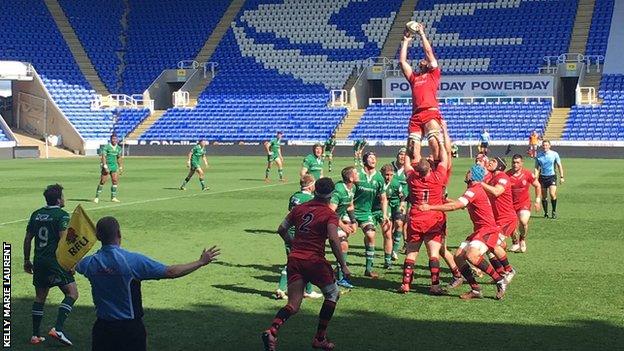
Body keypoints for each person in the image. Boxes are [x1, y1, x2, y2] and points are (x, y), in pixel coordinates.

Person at [76, 217, 220, 351]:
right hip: (129, 329)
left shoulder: (88, 263)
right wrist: (200, 262)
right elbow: (171, 272)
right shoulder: (132, 261)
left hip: (102, 329)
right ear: (119, 233)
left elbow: (69, 265)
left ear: (98, 237)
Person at [262, 178, 350, 351]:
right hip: (314, 260)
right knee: (333, 294)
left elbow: (281, 229)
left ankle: (272, 330)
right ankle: (320, 338)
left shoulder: (299, 209)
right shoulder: (329, 214)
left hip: (295, 258)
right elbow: (333, 238)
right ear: (331, 194)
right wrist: (343, 265)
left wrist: (292, 243)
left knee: (293, 305)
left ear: (315, 190)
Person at [417, 165, 512, 300]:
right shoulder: (474, 190)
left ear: (472, 176)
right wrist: (444, 200)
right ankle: (476, 289)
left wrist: (430, 207)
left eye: (469, 172)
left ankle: (499, 280)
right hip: (481, 230)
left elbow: (457, 206)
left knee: (472, 256)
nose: (466, 173)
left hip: (487, 229)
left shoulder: (474, 190)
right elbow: (461, 204)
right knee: (458, 257)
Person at [24, 184, 78, 346]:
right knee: (72, 293)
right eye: (63, 196)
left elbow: (28, 239)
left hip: (39, 261)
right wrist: (70, 263)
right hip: (55, 262)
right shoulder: (61, 215)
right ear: (58, 199)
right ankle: (58, 329)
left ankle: (35, 335)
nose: (64, 198)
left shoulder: (36, 214)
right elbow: (63, 241)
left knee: (40, 297)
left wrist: (27, 260)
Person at [398, 135, 449, 295]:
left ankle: (406, 283)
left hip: (415, 218)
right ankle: (434, 285)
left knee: (411, 253)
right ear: (428, 169)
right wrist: (440, 142)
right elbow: (444, 160)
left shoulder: (412, 178)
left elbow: (407, 162)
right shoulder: (437, 177)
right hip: (432, 218)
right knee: (433, 254)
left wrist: (409, 145)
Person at [399, 22, 443, 163]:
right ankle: (415, 177)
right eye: (421, 61)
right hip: (416, 115)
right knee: (412, 150)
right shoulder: (414, 78)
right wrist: (406, 41)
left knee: (435, 143)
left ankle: (436, 171)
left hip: (430, 111)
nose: (423, 61)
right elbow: (402, 62)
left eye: (425, 60)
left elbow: (429, 52)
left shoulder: (433, 74)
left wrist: (422, 34)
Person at [276, 174, 323, 300]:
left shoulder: (294, 196)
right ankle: (281, 288)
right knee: (296, 262)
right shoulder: (311, 200)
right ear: (310, 186)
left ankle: (307, 290)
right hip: (301, 234)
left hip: (289, 231)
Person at [480, 157, 517, 279]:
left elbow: (496, 192)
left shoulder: (503, 177)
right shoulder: (491, 178)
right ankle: (501, 273)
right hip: (496, 220)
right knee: (489, 246)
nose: (490, 162)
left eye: (493, 161)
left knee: (492, 244)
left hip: (506, 219)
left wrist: (480, 183)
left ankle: (509, 270)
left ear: (500, 166)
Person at [353, 152, 388, 278]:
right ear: (364, 160)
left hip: (366, 213)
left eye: (375, 157)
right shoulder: (357, 174)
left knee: (371, 234)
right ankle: (340, 267)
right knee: (342, 238)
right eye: (370, 157)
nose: (374, 159)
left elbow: (384, 198)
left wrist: (384, 214)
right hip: (351, 211)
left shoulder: (379, 177)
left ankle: (368, 269)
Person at [329, 167, 359, 289]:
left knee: (343, 244)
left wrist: (353, 221)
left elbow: (350, 205)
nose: (359, 175)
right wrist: (342, 225)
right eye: (356, 173)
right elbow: (330, 211)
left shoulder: (353, 188)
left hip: (336, 220)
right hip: (326, 221)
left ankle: (341, 276)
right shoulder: (338, 190)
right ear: (351, 178)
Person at [507, 154, 542, 253]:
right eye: (513, 162)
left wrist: (537, 201)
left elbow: (537, 186)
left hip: (524, 203)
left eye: (517, 162)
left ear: (522, 163)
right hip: (510, 204)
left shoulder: (527, 174)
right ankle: (515, 242)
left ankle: (522, 239)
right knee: (511, 225)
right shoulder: (507, 175)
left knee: (523, 222)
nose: (515, 164)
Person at [379, 164, 406, 270]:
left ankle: (394, 250)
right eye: (386, 175)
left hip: (396, 204)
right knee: (388, 229)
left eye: (391, 175)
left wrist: (402, 204)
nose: (388, 177)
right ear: (382, 174)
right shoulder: (379, 183)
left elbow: (402, 195)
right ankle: (388, 257)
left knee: (399, 223)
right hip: (387, 206)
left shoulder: (395, 183)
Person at [534, 140, 564, 219]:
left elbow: (559, 165)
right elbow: (537, 167)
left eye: (546, 145)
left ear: (549, 146)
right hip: (542, 177)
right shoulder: (539, 155)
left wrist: (561, 177)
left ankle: (554, 211)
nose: (545, 147)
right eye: (543, 145)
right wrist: (535, 177)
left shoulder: (554, 154)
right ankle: (546, 213)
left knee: (552, 194)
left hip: (552, 176)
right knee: (544, 197)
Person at [390, 148, 409, 260]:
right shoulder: (390, 167)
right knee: (389, 227)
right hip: (388, 201)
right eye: (401, 154)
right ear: (397, 155)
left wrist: (404, 199)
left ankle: (395, 250)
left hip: (403, 201)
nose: (402, 157)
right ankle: (391, 247)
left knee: (400, 223)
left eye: (405, 155)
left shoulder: (408, 169)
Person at [94, 134, 123, 203]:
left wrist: (120, 166)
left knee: (115, 181)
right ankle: (97, 197)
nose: (114, 140)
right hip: (107, 166)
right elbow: (103, 156)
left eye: (115, 139)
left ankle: (113, 197)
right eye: (113, 139)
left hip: (114, 166)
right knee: (103, 181)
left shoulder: (118, 148)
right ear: (111, 139)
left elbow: (119, 157)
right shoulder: (106, 147)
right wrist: (105, 166)